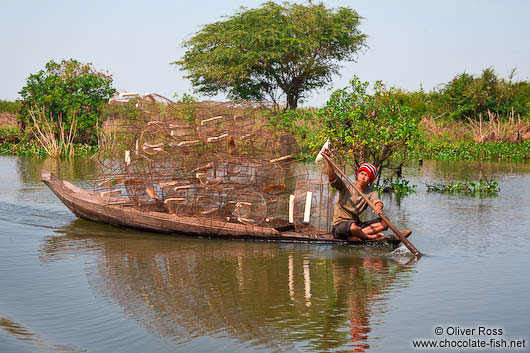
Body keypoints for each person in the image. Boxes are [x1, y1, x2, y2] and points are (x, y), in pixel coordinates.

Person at [321, 148, 388, 241]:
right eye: (362, 173)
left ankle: (358, 234)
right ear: (358, 174)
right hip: (340, 225)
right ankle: (367, 236)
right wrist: (328, 160)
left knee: (385, 223)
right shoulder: (347, 184)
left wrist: (379, 206)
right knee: (353, 227)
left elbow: (377, 201)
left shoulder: (371, 192)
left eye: (366, 175)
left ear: (370, 179)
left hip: (356, 223)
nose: (363, 177)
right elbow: (332, 178)